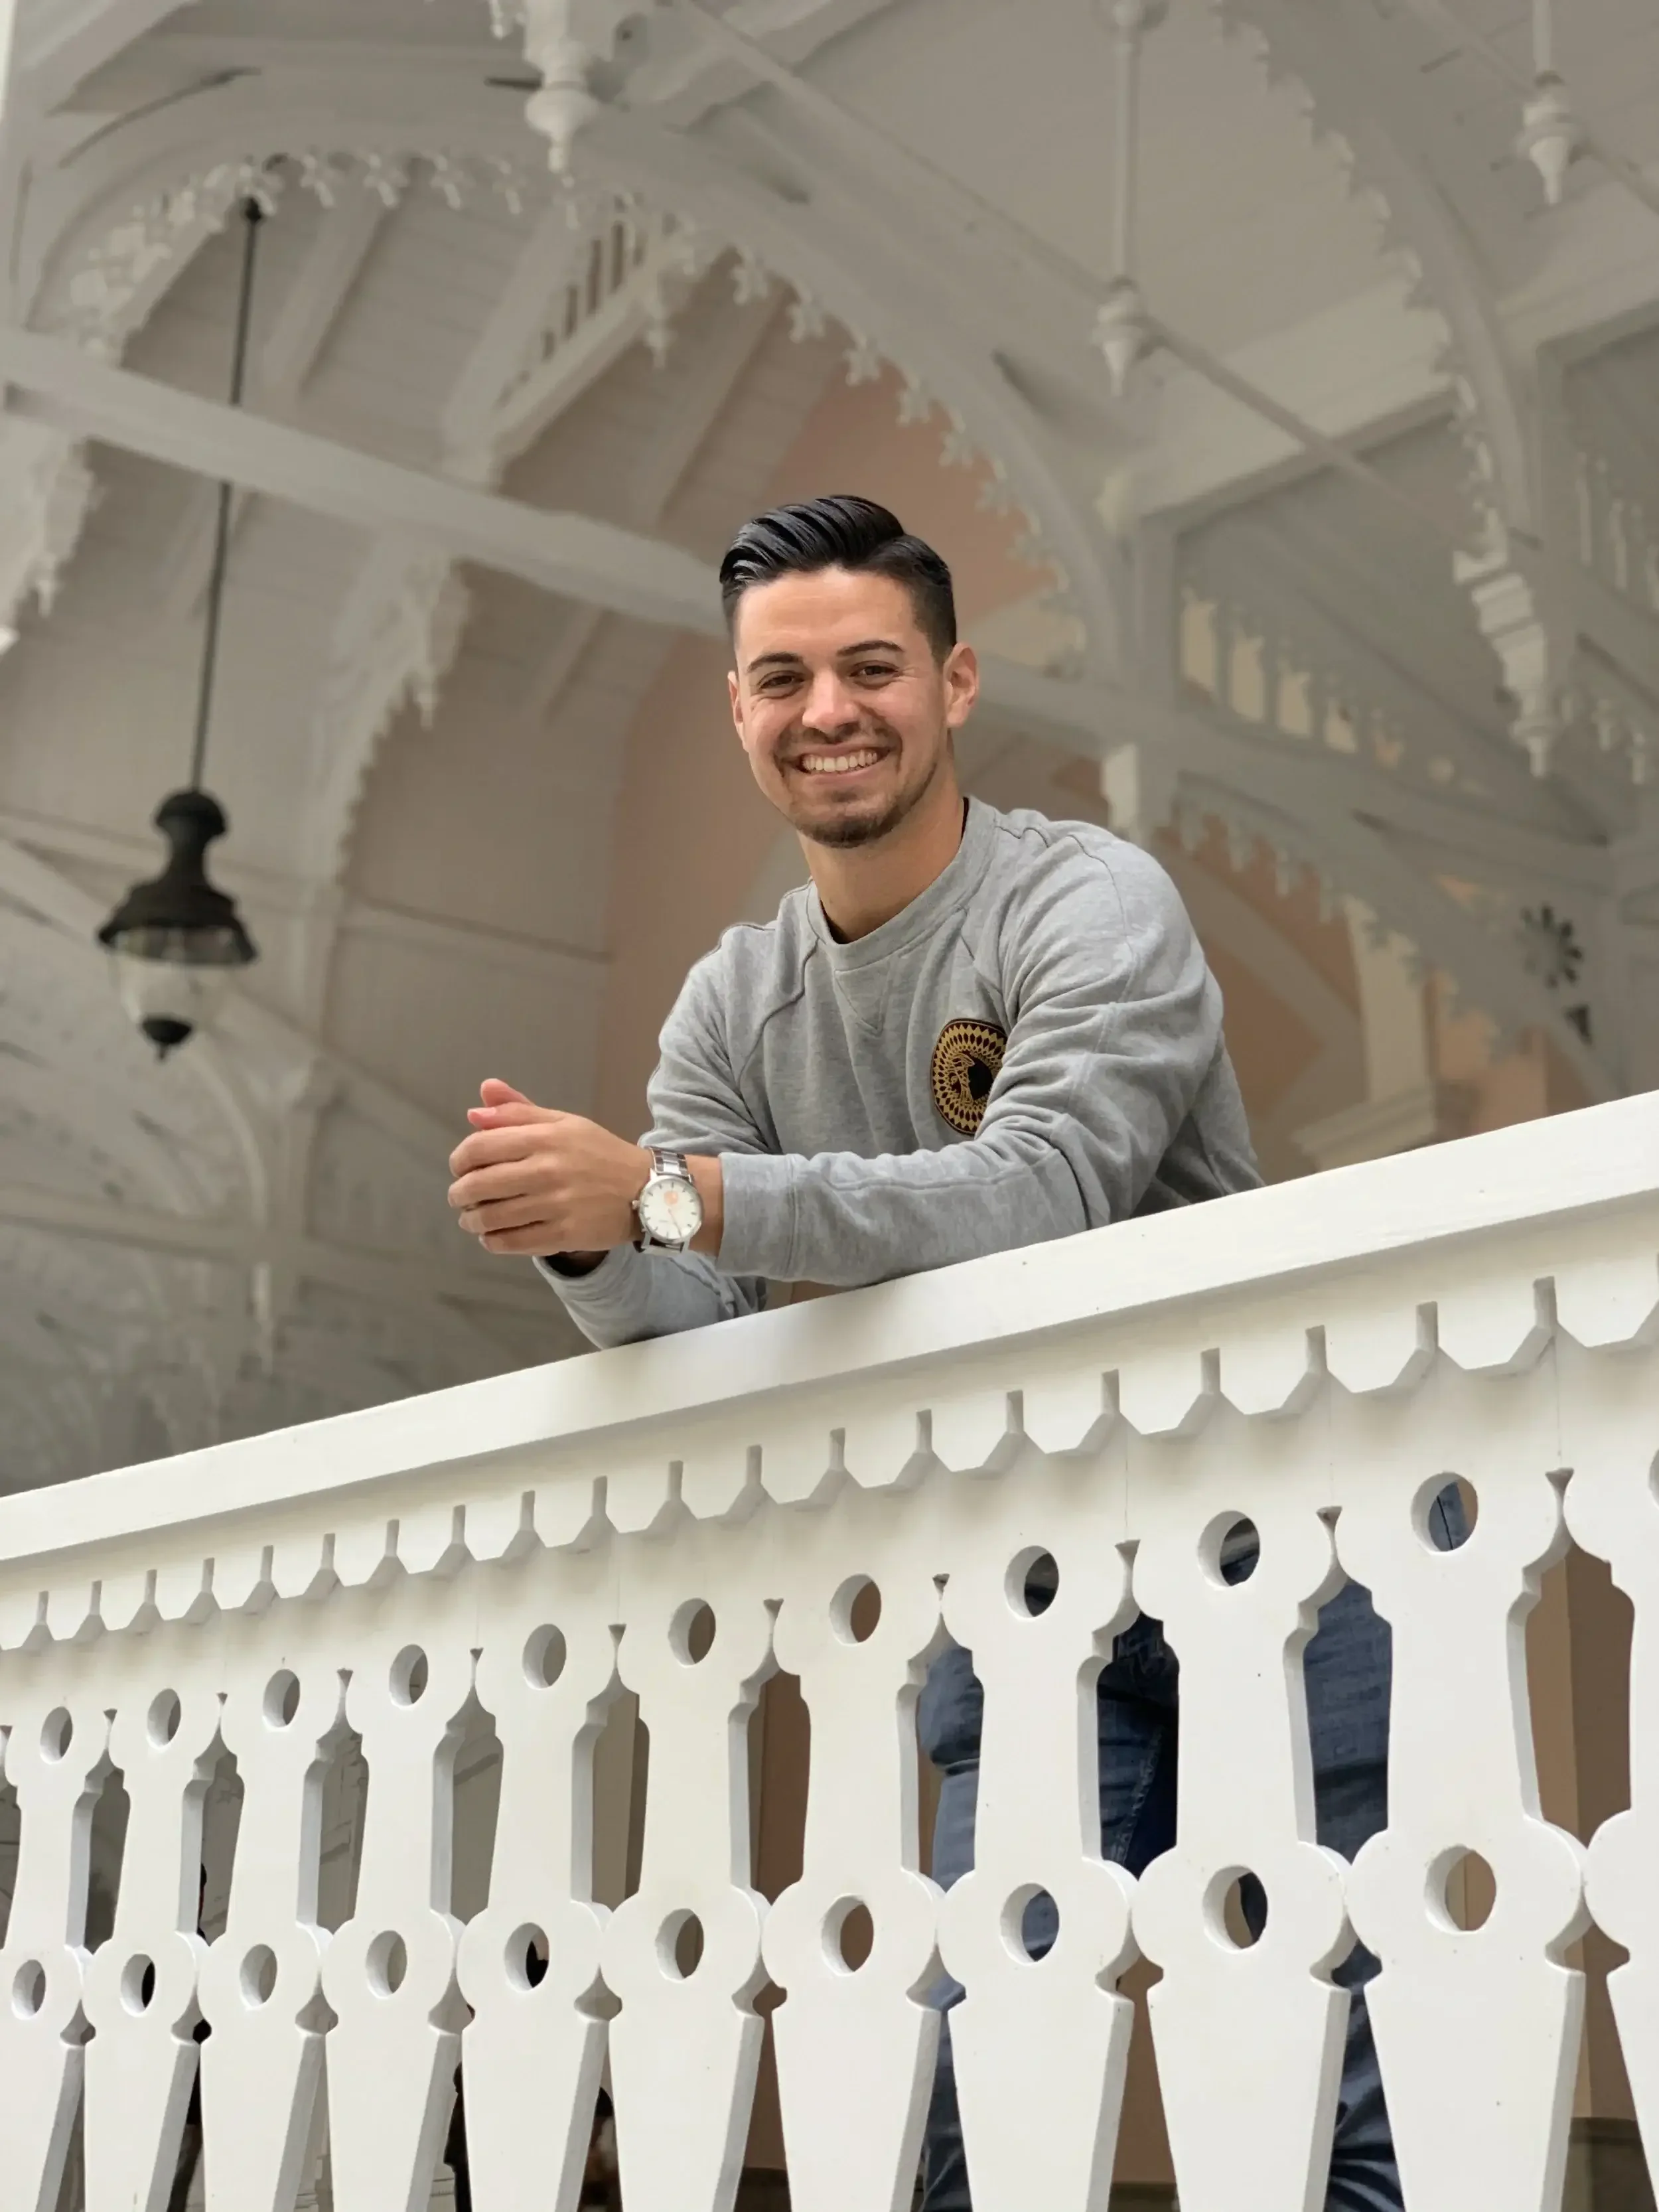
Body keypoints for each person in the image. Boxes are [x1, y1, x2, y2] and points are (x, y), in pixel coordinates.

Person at [446, 496, 1404, 2210]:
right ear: (738, 708)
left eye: (871, 665)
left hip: (1272, 1550)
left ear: (953, 681)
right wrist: (591, 1232)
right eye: (783, 676)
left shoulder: (1085, 898)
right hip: (1008, 1574)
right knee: (981, 2076)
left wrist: (664, 1187)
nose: (830, 709)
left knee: (1323, 2077)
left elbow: (1032, 1192)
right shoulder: (735, 1003)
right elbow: (690, 1307)